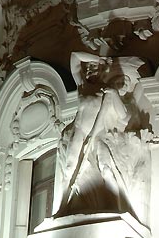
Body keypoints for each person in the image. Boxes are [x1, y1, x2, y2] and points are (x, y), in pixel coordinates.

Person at [55, 53, 152, 223]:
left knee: (105, 167)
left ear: (103, 72)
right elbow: (74, 58)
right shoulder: (83, 87)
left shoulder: (107, 93)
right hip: (79, 133)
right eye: (89, 68)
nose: (90, 70)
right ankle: (63, 207)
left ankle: (115, 205)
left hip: (98, 135)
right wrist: (97, 58)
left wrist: (114, 94)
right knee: (69, 167)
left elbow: (123, 117)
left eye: (95, 67)